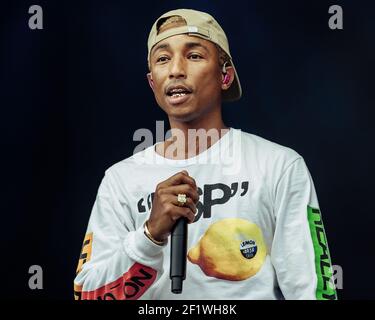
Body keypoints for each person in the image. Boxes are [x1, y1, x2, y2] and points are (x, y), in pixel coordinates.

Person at [73, 8, 337, 300]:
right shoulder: (120, 180)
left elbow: (312, 290)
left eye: (194, 55)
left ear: (225, 76)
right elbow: (87, 295)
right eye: (163, 59)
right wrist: (150, 234)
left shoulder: (278, 165)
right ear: (152, 83)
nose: (175, 70)